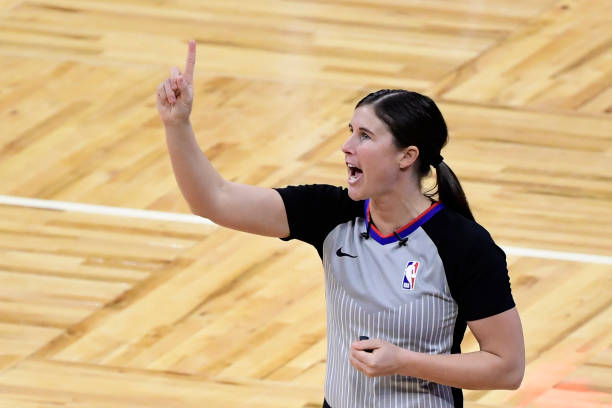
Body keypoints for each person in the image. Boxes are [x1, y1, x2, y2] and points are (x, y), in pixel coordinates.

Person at [156, 40, 525, 408]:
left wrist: (404, 362)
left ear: (407, 156)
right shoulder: (331, 213)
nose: (347, 146)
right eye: (351, 131)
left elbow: (506, 368)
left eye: (365, 136)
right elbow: (214, 200)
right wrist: (177, 124)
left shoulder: (463, 245)